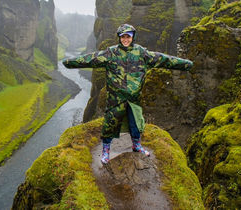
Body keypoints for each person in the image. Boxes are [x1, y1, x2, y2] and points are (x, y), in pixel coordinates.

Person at [62, 24, 193, 164]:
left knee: (135, 123)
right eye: (123, 36)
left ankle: (136, 146)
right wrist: (69, 63)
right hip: (115, 99)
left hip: (133, 99)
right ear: (119, 37)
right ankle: (106, 150)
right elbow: (90, 59)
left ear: (132, 37)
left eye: (128, 36)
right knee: (110, 124)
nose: (125, 39)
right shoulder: (110, 53)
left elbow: (164, 60)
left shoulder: (141, 53)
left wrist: (185, 64)